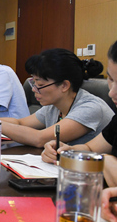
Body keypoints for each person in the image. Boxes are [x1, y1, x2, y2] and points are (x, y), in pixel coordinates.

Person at [42, 40, 117, 192]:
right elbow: (90, 148)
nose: (112, 93)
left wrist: (105, 162)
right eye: (111, 79)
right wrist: (68, 151)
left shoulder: (91, 105)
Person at [0, 49, 113, 148]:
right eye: (33, 83)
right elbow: (20, 122)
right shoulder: (54, 105)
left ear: (64, 85)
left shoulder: (90, 108)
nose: (33, 89)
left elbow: (40, 139)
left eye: (40, 84)